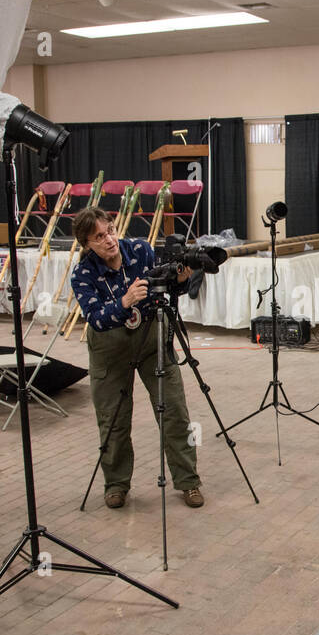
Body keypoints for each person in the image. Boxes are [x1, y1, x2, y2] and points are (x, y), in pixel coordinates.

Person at [70, 207, 203, 509]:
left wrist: (183, 276)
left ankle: (189, 481)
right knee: (113, 419)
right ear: (87, 243)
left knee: (175, 413)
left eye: (111, 230)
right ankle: (116, 484)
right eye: (99, 237)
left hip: (152, 338)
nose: (109, 240)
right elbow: (96, 318)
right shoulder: (83, 274)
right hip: (109, 347)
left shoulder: (140, 250)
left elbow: (169, 285)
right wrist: (124, 301)